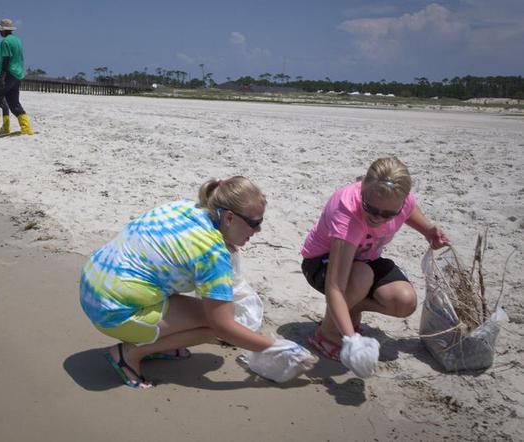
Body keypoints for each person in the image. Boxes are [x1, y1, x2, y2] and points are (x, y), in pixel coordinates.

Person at [80, 176, 299, 389]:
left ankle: (155, 341)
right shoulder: (211, 253)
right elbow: (222, 326)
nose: (258, 230)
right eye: (255, 223)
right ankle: (129, 354)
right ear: (229, 218)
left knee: (210, 312)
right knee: (219, 324)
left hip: (92, 285)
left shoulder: (187, 208)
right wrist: (276, 347)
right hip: (111, 313)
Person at [300, 157, 451, 363]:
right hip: (321, 263)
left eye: (388, 213)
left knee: (404, 302)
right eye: (371, 208)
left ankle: (352, 307)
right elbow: (335, 286)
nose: (378, 218)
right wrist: (352, 341)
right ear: (362, 190)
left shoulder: (402, 201)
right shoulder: (347, 213)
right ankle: (327, 334)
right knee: (362, 275)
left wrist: (428, 230)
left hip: (365, 259)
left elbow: (409, 210)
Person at [0, 18, 33, 135]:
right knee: (14, 102)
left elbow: (6, 60)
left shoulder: (5, 42)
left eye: (0, 30)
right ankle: (26, 128)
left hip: (9, 73)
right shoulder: (18, 40)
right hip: (18, 74)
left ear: (3, 30)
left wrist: (1, 75)